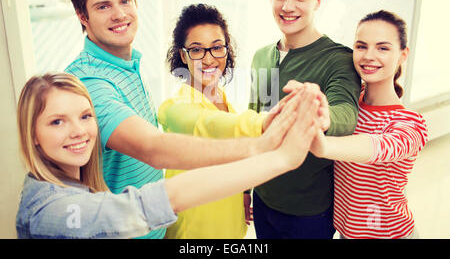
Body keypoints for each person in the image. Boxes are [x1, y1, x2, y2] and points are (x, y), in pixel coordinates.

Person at [64, 0, 294, 239]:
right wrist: (263, 134)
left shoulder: (128, 67)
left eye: (125, 1)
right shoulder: (88, 84)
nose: (119, 14)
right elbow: (154, 148)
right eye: (103, 6)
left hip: (154, 227)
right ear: (82, 16)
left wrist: (244, 189)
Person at [15, 72, 322, 239]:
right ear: (33, 136)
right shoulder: (48, 212)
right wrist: (275, 155)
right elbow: (156, 200)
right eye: (57, 121)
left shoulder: (71, 184)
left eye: (85, 116)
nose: (78, 131)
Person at [247, 0, 361, 239]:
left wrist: (323, 114)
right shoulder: (262, 56)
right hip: (263, 196)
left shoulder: (338, 59)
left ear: (317, 0)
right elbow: (253, 125)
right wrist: (245, 189)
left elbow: (345, 113)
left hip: (308, 212)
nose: (288, 6)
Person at [306, 10, 429, 239]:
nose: (369, 56)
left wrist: (322, 145)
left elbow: (377, 147)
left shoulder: (411, 123)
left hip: (390, 235)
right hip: (346, 232)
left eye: (382, 48)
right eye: (361, 46)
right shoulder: (349, 103)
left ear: (403, 55)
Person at [159, 3, 278, 238]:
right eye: (196, 50)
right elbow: (208, 123)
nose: (209, 59)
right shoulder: (176, 107)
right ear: (183, 55)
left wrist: (245, 191)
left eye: (216, 47)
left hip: (230, 226)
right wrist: (264, 123)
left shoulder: (223, 100)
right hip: (195, 230)